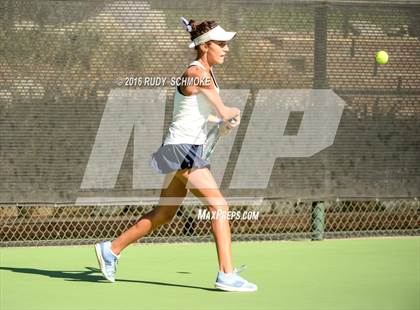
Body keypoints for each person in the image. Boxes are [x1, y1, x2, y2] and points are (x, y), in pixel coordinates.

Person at [94, 17, 257, 292]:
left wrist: (221, 123)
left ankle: (111, 249)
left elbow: (199, 114)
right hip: (183, 151)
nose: (226, 48)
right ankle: (226, 274)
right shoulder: (196, 73)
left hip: (182, 149)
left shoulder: (206, 73)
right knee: (219, 206)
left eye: (226, 44)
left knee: (164, 214)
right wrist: (231, 115)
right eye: (221, 44)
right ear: (205, 46)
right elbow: (222, 109)